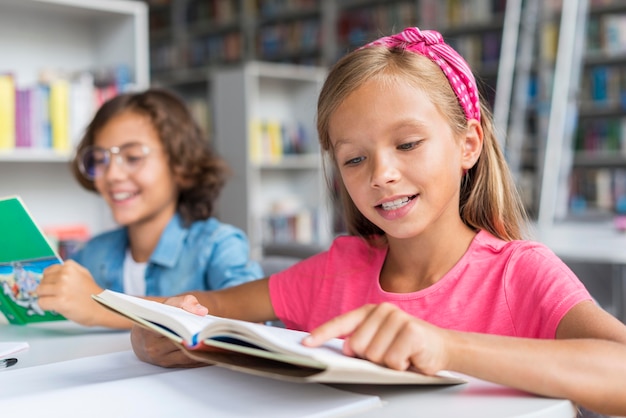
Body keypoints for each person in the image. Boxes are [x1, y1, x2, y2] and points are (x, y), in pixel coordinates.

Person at [129, 28, 626, 415]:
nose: (382, 175)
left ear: (467, 144)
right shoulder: (335, 271)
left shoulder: (518, 273)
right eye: (354, 159)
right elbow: (209, 309)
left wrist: (446, 346)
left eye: (408, 144)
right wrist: (165, 330)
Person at [36, 88, 263, 329]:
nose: (112, 174)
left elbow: (255, 320)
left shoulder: (217, 245)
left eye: (132, 157)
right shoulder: (92, 253)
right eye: (101, 160)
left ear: (181, 166)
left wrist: (101, 306)